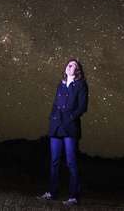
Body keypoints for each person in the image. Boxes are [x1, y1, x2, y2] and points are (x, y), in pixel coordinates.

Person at [37, 58, 89, 206]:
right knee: (54, 161)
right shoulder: (60, 85)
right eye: (68, 64)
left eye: (72, 65)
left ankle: (74, 196)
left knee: (71, 162)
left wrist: (70, 118)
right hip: (56, 126)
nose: (69, 66)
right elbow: (55, 104)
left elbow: (83, 106)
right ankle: (52, 193)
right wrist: (52, 118)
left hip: (70, 127)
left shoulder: (81, 85)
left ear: (77, 70)